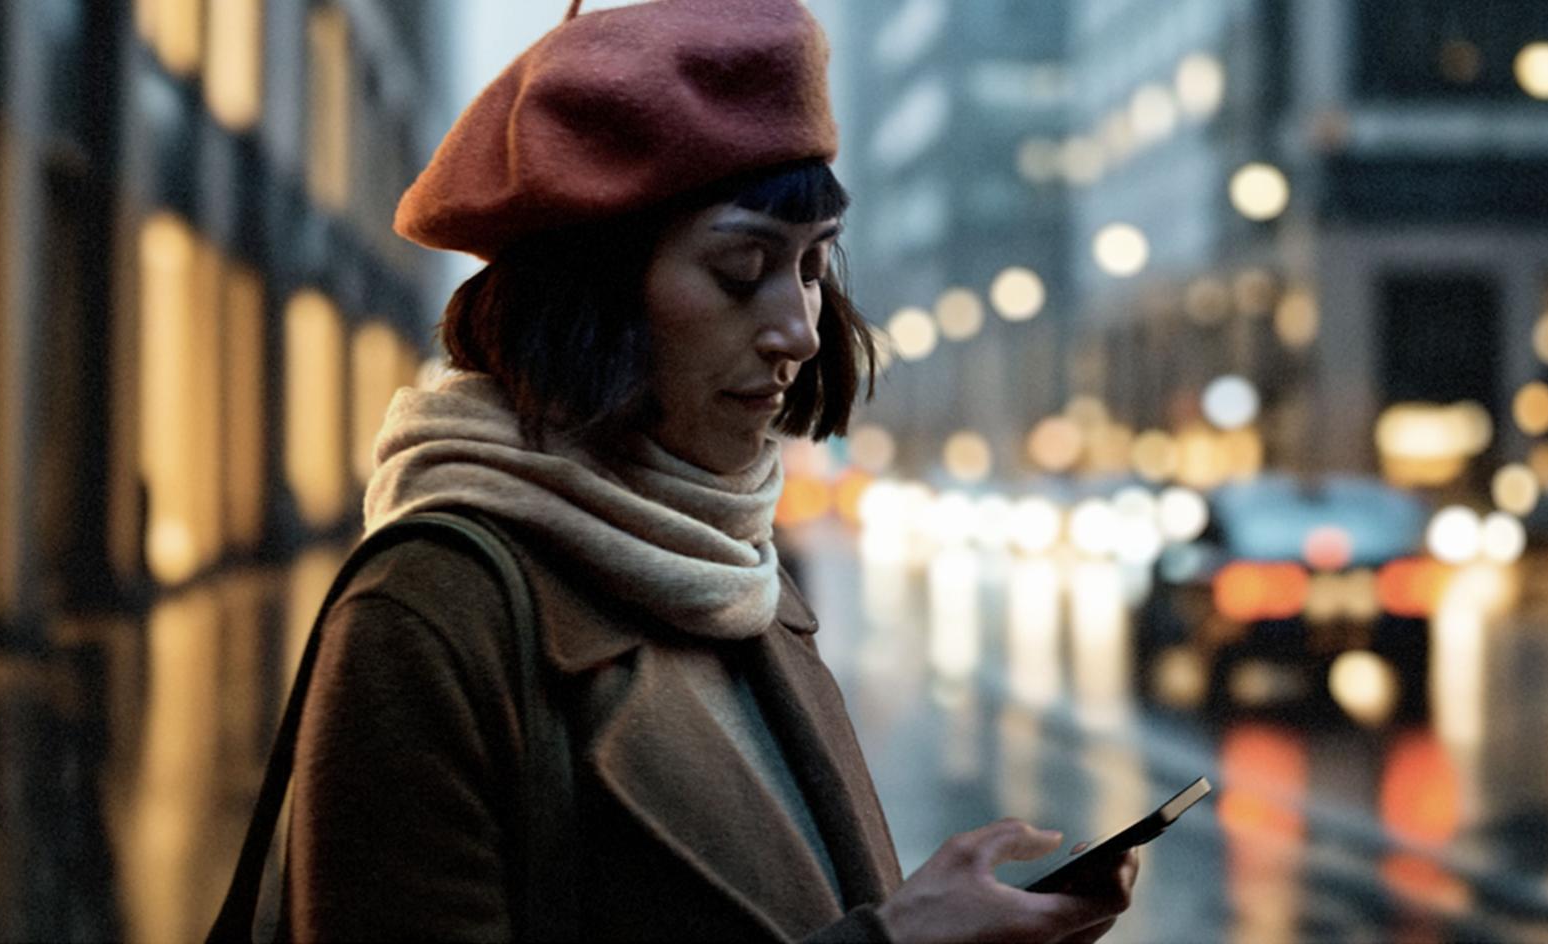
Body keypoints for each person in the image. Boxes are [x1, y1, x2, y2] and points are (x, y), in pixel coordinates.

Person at [282, 0, 1140, 940]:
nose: (801, 330)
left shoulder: (739, 568)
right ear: (593, 289)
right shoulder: (431, 612)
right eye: (742, 269)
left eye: (813, 267)